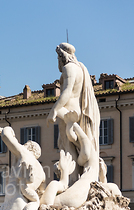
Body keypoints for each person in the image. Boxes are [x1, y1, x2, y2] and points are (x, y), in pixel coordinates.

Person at [47, 43, 100, 184]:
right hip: (77, 112)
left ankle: (71, 181)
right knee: (77, 147)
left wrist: (54, 110)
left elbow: (66, 92)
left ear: (61, 56)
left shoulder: (68, 68)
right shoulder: (81, 69)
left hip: (67, 113)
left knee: (67, 149)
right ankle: (77, 179)